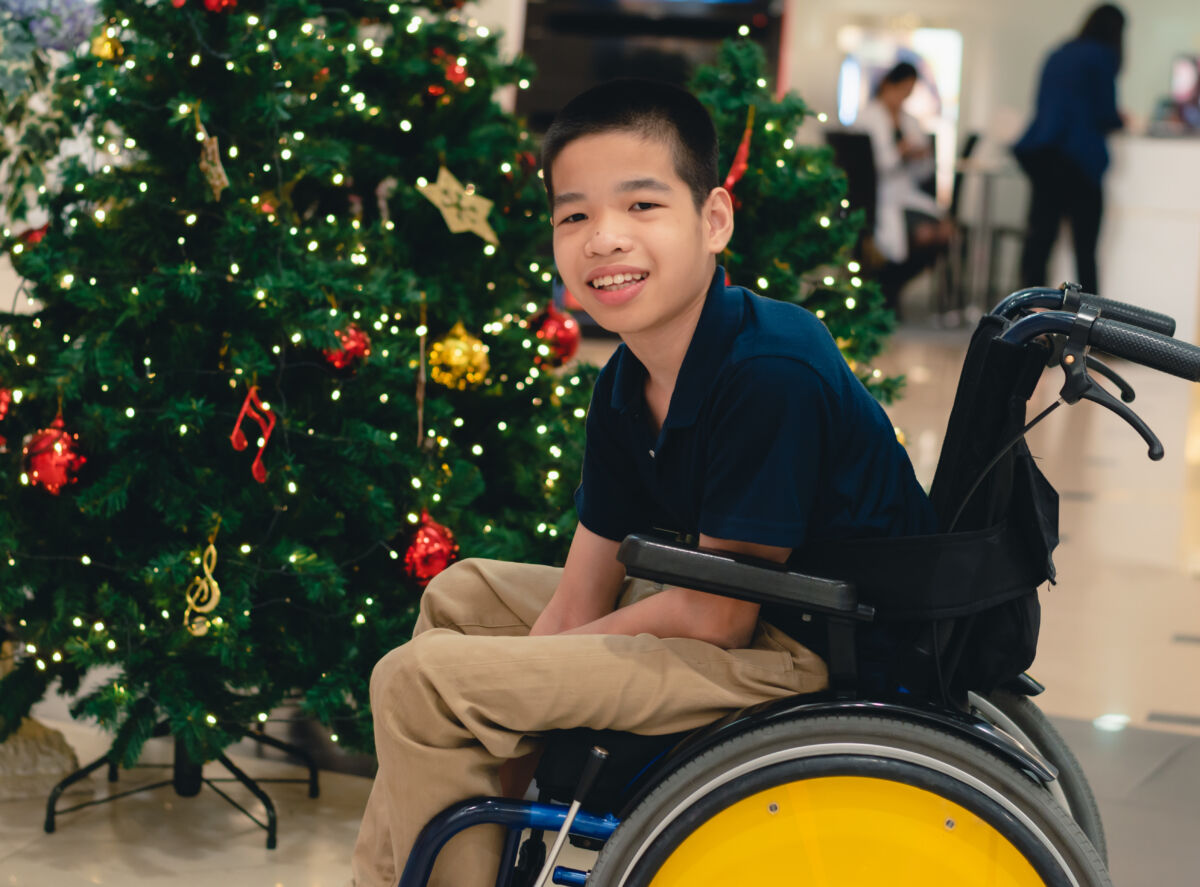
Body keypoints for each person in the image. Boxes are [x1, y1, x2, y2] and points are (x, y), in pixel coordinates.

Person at [349, 78, 937, 887]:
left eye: (641, 207)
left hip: (812, 647)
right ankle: (443, 862)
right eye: (575, 215)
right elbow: (584, 590)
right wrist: (528, 673)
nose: (603, 240)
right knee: (463, 595)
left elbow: (719, 616)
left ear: (714, 219)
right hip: (739, 613)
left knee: (418, 679)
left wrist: (521, 675)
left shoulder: (770, 367)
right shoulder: (627, 381)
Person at [1015, 4, 1126, 296]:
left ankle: (1026, 314)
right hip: (1079, 161)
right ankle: (1090, 325)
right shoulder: (1101, 56)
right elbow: (1105, 113)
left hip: (1044, 157)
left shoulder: (1058, 53)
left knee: (1040, 244)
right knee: (1085, 251)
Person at [856, 61, 953, 313]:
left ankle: (893, 285)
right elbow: (869, 168)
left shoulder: (909, 121)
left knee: (945, 231)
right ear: (888, 85)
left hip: (907, 195)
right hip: (880, 198)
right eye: (902, 91)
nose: (903, 98)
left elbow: (923, 173)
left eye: (909, 93)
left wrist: (920, 156)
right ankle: (888, 284)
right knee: (924, 234)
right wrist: (899, 153)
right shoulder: (868, 117)